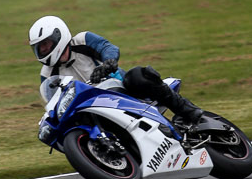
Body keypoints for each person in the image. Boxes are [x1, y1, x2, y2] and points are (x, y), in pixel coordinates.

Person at [29, 15, 204, 126]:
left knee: (137, 76)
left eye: (46, 44)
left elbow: (107, 47)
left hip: (118, 87)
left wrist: (108, 63)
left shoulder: (82, 40)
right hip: (89, 108)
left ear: (59, 36)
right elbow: (53, 102)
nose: (44, 50)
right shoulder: (47, 74)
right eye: (40, 48)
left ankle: (188, 111)